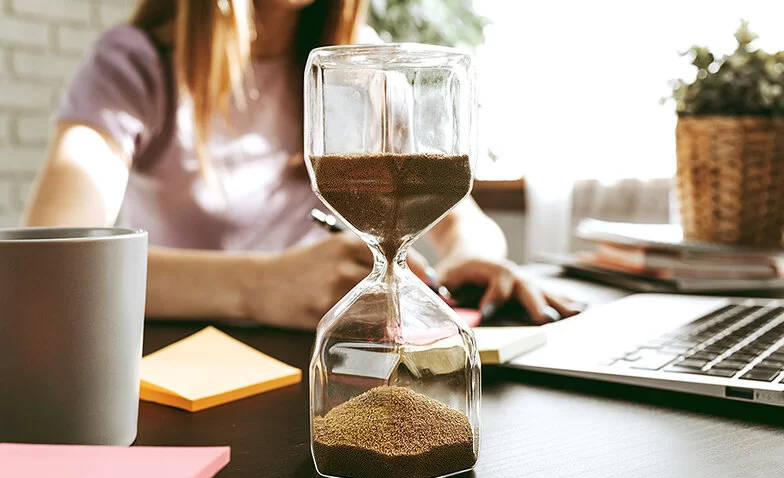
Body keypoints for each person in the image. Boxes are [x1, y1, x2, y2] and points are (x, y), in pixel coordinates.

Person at [22, 0, 581, 330]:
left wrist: (472, 258)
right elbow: (52, 259)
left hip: (312, 352)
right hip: (178, 363)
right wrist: (262, 286)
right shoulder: (138, 65)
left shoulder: (357, 68)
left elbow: (462, 217)